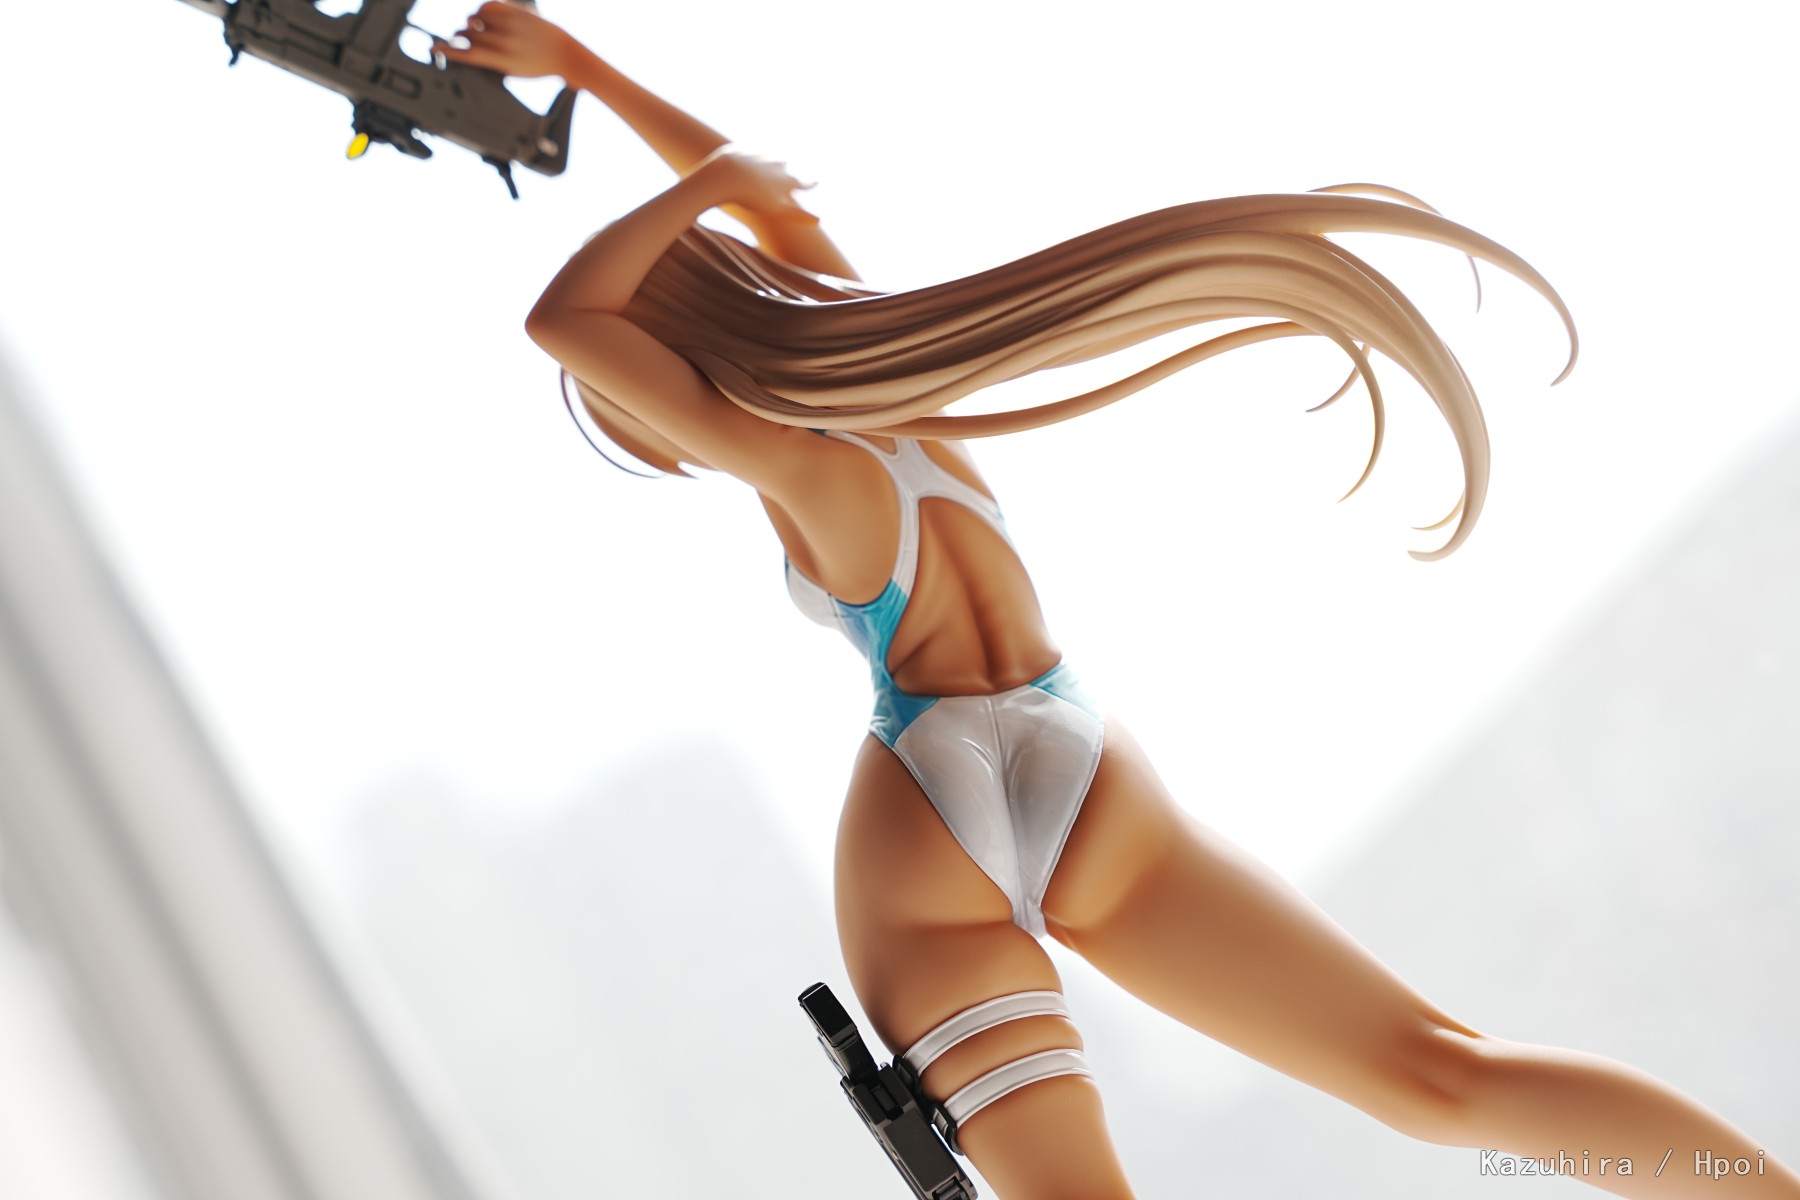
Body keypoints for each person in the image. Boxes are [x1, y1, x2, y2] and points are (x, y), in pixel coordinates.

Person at [439, 5, 1799, 1197]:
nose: (648, 431)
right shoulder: (910, 392)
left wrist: (702, 184)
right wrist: (594, 74)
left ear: (667, 368)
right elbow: (769, 216)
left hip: (925, 795)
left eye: (629, 411)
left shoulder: (793, 465)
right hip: (1078, 756)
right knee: (1443, 1073)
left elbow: (564, 319)